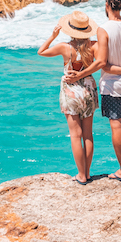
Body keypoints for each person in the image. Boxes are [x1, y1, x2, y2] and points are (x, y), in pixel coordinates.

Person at [68, 0, 121, 181]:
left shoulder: (103, 29)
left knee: (116, 126)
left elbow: (103, 63)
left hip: (111, 87)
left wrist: (81, 74)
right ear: (120, 5)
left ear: (107, 6)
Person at [38, 11, 99, 185]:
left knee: (75, 135)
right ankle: (87, 173)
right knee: (88, 134)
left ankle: (80, 175)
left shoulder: (64, 47)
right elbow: (102, 61)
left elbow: (41, 52)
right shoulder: (94, 46)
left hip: (71, 93)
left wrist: (52, 36)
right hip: (88, 91)